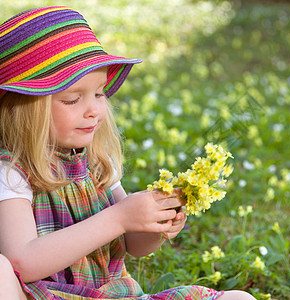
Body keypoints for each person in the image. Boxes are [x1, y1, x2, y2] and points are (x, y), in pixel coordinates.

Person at [0, 6, 256, 300]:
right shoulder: (12, 173)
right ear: (23, 111)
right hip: (44, 294)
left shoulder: (97, 163)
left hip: (113, 295)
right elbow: (22, 262)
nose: (94, 110)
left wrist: (154, 223)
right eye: (72, 99)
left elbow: (134, 245)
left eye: (99, 94)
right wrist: (118, 218)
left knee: (240, 298)